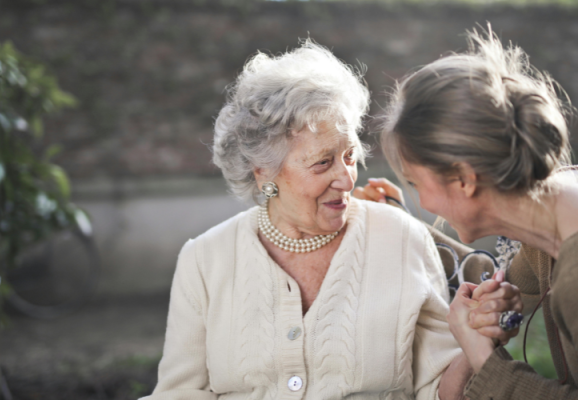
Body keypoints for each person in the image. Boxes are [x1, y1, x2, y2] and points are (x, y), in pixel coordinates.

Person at [139, 40, 520, 400]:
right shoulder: (205, 260)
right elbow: (180, 392)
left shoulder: (400, 237)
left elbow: (436, 390)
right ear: (263, 172)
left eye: (350, 156)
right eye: (323, 162)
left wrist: (474, 341)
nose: (347, 178)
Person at [358, 26, 578, 399]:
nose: (423, 202)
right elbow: (497, 278)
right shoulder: (553, 217)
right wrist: (399, 222)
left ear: (463, 179)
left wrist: (484, 360)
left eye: (415, 183)